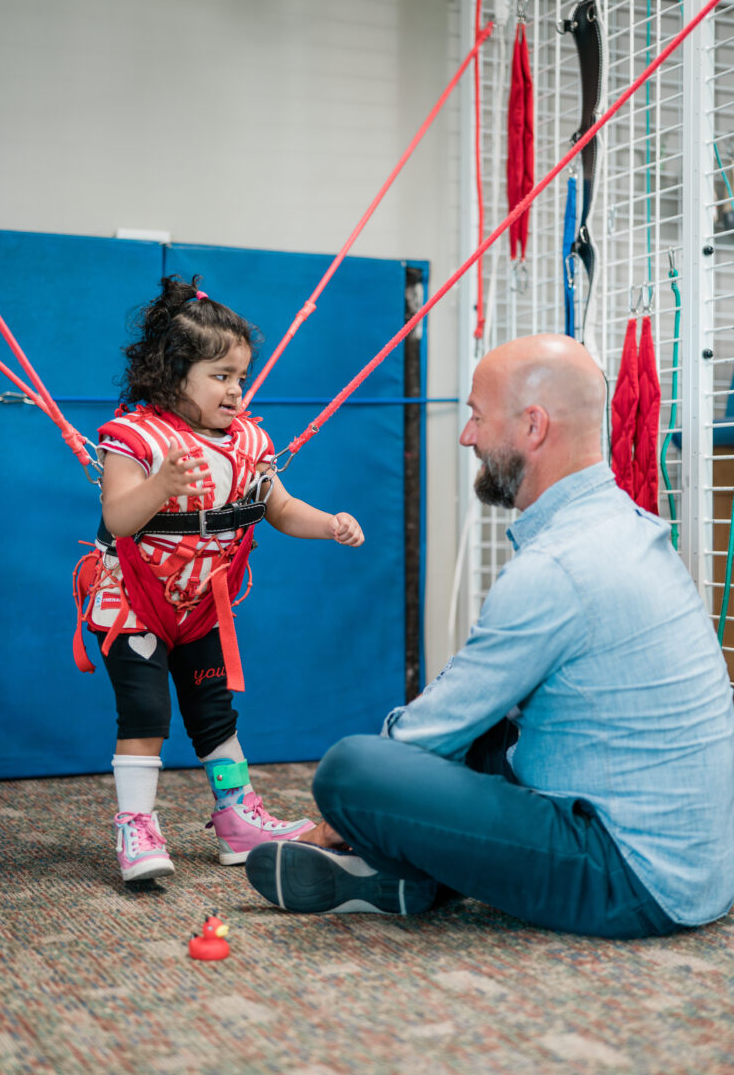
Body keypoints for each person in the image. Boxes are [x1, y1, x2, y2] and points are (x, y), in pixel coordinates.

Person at [245, 333, 734, 937]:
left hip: (632, 881)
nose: (466, 435)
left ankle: (388, 858)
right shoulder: (629, 527)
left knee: (351, 772)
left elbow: (425, 736)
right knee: (487, 732)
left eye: (477, 416)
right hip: (698, 866)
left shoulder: (558, 565)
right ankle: (406, 877)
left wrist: (352, 816)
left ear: (533, 427)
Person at [73, 276, 363, 882]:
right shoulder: (134, 440)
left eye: (240, 377)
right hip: (135, 603)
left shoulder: (251, 442)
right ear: (172, 374)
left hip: (203, 606)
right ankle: (137, 826)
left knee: (215, 713)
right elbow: (118, 517)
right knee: (146, 713)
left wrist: (329, 523)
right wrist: (160, 487)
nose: (235, 390)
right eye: (220, 376)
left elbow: (280, 509)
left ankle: (237, 816)